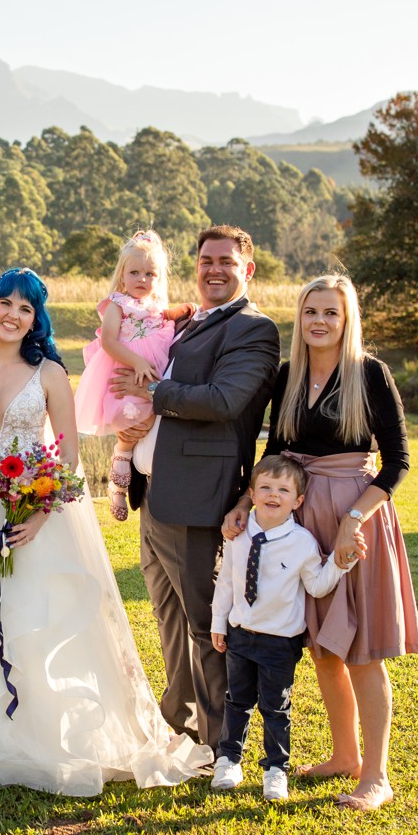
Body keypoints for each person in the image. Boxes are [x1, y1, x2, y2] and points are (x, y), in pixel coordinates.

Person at [0, 267, 214, 799]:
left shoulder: (49, 374)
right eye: (5, 304)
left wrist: (40, 515)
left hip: (34, 511)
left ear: (36, 320)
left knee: (33, 615)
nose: (13, 315)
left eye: (26, 308)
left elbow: (66, 456)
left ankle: (36, 727)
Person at [223, 273, 418, 812]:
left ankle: (376, 776)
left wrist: (354, 518)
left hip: (353, 514)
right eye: (310, 311)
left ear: (346, 318)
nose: (319, 321)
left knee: (361, 650)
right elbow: (276, 456)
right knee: (321, 646)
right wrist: (245, 503)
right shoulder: (288, 376)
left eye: (330, 312)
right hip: (301, 515)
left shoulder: (369, 374)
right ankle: (342, 755)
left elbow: (398, 461)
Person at [110, 224, 280, 759]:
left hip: (199, 497)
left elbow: (224, 399)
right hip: (154, 493)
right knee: (168, 619)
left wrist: (152, 392)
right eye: (206, 259)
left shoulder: (254, 329)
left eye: (226, 261)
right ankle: (175, 722)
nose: (214, 269)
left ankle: (217, 740)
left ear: (247, 270)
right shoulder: (187, 322)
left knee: (206, 624)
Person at [209, 455, 357, 801]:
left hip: (280, 642)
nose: (273, 495)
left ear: (298, 500)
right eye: (266, 487)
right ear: (253, 492)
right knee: (236, 701)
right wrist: (219, 622)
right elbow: (227, 584)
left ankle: (276, 769)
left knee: (276, 708)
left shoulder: (303, 542)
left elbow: (318, 586)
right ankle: (228, 759)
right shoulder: (239, 535)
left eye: (283, 490)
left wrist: (338, 564)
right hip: (241, 634)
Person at [72, 230, 195, 521]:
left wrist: (187, 308)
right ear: (122, 276)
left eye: (150, 274)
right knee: (128, 421)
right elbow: (109, 341)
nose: (142, 279)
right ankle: (119, 469)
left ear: (159, 277)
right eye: (135, 272)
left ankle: (122, 471)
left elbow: (178, 312)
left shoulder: (157, 306)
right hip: (126, 369)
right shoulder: (117, 304)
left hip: (149, 379)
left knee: (151, 414)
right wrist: (138, 362)